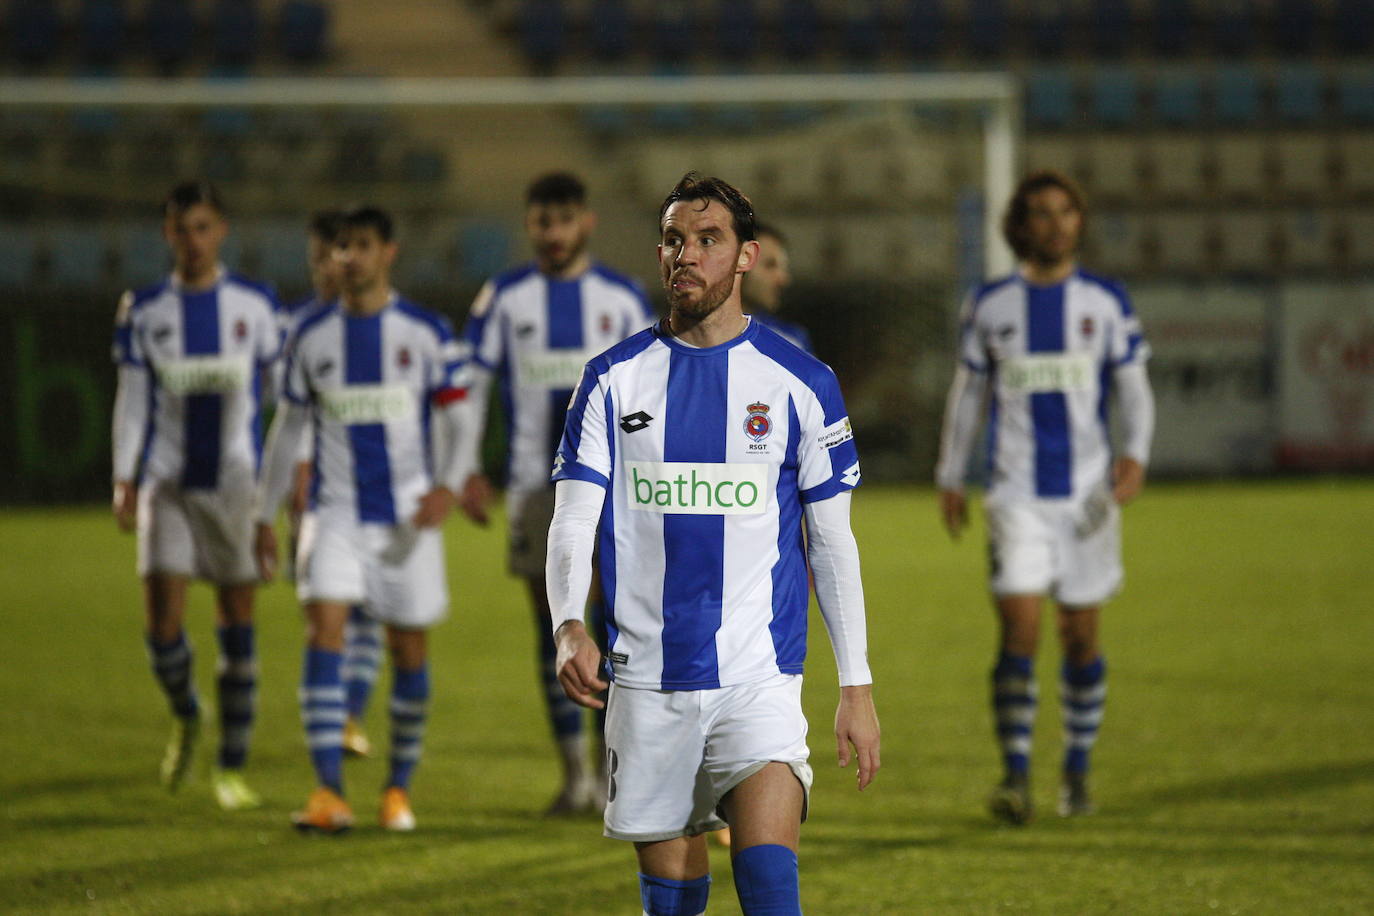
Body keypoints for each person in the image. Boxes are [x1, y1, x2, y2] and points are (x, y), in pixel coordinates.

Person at [547, 172, 881, 915]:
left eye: (708, 240)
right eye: (673, 240)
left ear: (745, 257)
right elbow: (572, 519)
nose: (686, 255)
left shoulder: (802, 383)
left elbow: (831, 543)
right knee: (672, 905)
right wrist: (569, 622)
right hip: (642, 682)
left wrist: (854, 683)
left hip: (756, 678)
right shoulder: (610, 382)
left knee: (768, 888)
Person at [933, 170, 1155, 824]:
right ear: (1020, 227)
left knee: (1080, 637)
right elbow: (968, 394)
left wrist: (1135, 455)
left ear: (1079, 222)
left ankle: (1077, 772)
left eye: (1065, 211)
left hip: (1087, 498)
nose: (1055, 223)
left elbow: (1136, 388)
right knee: (1021, 626)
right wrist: (951, 474)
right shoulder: (991, 304)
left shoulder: (1106, 303)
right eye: (1040, 213)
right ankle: (1016, 775)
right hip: (1016, 495)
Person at [254, 205, 475, 833]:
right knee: (323, 628)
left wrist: (448, 486)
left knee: (409, 651)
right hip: (334, 516)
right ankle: (328, 791)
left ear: (388, 253)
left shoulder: (426, 333)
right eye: (342, 247)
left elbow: (461, 419)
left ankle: (397, 790)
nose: (349, 257)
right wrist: (263, 515)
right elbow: (287, 430)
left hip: (407, 521)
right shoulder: (309, 337)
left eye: (362, 246)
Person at [457, 171, 653, 815]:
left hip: (612, 491)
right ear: (529, 226)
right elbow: (473, 386)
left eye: (564, 219)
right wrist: (465, 467)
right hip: (533, 492)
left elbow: (653, 392)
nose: (554, 233)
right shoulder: (505, 298)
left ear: (586, 222)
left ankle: (610, 774)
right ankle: (576, 777)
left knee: (612, 626)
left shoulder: (621, 299)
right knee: (554, 629)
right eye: (543, 221)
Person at [110, 180, 280, 811]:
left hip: (236, 485)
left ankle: (230, 768)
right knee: (161, 628)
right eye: (183, 229)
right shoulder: (144, 308)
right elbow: (131, 401)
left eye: (204, 227)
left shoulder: (257, 306)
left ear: (222, 231)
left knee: (236, 622)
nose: (194, 240)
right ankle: (187, 713)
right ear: (167, 234)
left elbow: (285, 405)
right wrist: (123, 477)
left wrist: (287, 486)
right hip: (167, 482)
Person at [283, 209, 385, 760]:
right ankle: (338, 716)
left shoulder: (386, 322)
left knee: (367, 612)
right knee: (324, 615)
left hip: (375, 494)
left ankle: (348, 715)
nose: (328, 268)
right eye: (319, 258)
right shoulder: (297, 328)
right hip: (317, 494)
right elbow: (289, 416)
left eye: (336, 254)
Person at [740, 221, 813, 354]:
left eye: (783, 268)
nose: (783, 280)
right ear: (738, 263)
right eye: (770, 265)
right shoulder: (698, 337)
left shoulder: (791, 341)